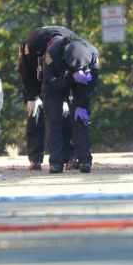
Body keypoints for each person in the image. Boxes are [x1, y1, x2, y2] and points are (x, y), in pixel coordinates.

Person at [17, 26, 76, 170]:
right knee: (35, 114)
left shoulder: (71, 44)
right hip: (36, 82)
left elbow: (74, 72)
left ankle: (69, 156)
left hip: (57, 82)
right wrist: (32, 96)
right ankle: (35, 158)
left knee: (66, 115)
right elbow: (24, 71)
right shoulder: (32, 43)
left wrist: (67, 97)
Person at [42, 34, 99, 173]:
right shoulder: (52, 54)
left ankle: (85, 160)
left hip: (81, 84)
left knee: (80, 119)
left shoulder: (93, 54)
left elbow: (91, 84)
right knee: (55, 119)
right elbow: (49, 83)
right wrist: (69, 79)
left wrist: (82, 103)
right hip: (57, 83)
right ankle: (56, 161)